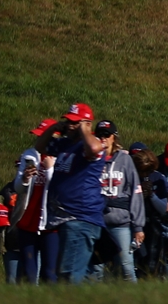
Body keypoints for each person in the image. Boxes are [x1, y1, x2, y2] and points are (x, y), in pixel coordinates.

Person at [36, 104, 105, 284]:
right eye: (68, 121)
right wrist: (52, 128)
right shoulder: (64, 144)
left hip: (80, 218)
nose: (69, 125)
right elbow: (39, 146)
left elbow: (95, 148)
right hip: (65, 219)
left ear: (87, 124)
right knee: (68, 275)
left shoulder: (90, 145)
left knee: (70, 277)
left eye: (74, 122)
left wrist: (84, 130)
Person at [91, 121, 144, 282]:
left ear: (114, 137)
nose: (103, 139)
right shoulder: (90, 159)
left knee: (126, 267)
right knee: (96, 269)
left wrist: (138, 226)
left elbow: (136, 191)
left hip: (120, 222)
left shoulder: (125, 160)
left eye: (106, 135)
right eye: (99, 135)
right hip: (96, 221)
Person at [13, 119, 58, 284]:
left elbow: (60, 190)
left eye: (42, 136)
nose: (39, 140)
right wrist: (24, 178)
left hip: (50, 225)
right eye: (38, 136)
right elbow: (18, 187)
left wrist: (50, 169)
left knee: (49, 273)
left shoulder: (60, 157)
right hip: (27, 222)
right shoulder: (29, 154)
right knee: (28, 274)